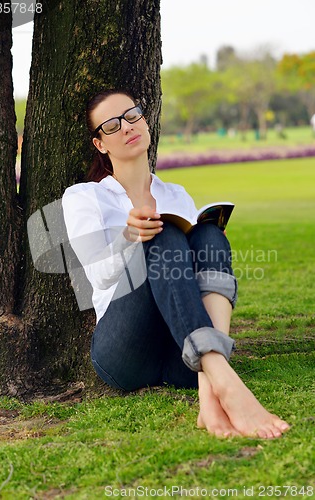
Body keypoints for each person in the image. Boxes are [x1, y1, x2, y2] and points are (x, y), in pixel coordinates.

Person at [62, 89, 290, 439]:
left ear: (145, 120)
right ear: (100, 144)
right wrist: (129, 236)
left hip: (181, 354)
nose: (126, 127)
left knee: (210, 236)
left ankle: (209, 384)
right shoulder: (84, 197)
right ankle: (226, 384)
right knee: (163, 233)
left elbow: (196, 275)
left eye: (132, 115)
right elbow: (97, 277)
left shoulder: (177, 195)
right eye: (112, 125)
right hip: (125, 351)